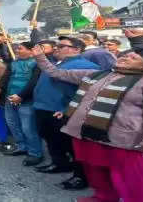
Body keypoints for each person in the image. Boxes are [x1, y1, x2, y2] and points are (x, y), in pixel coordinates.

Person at [32, 30, 143, 202]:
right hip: (88, 135)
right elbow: (57, 73)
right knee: (95, 172)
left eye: (133, 58)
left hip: (122, 141)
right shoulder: (95, 74)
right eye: (125, 55)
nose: (126, 57)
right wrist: (40, 57)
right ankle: (103, 198)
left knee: (130, 178)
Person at [32, 36, 99, 190]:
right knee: (51, 140)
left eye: (61, 46)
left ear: (77, 49)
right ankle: (59, 163)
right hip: (43, 108)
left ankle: (80, 176)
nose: (56, 48)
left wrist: (67, 109)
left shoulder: (87, 67)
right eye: (56, 45)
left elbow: (88, 94)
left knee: (72, 147)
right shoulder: (53, 63)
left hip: (63, 112)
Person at [0, 42, 43, 166]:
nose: (17, 50)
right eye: (16, 48)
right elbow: (5, 79)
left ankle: (35, 153)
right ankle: (22, 147)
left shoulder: (38, 64)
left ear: (31, 51)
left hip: (27, 100)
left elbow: (34, 82)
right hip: (9, 99)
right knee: (13, 125)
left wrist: (21, 96)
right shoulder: (13, 63)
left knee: (28, 128)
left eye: (20, 48)